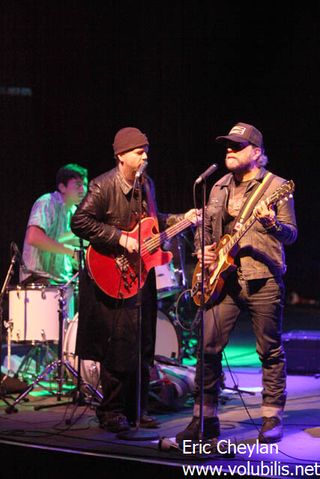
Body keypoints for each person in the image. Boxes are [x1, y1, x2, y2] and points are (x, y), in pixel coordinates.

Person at [176, 122, 297, 445]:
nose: (229, 150)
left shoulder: (277, 187)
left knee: (269, 350)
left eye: (237, 146)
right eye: (227, 145)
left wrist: (271, 223)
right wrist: (204, 250)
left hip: (263, 278)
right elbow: (205, 227)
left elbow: (291, 234)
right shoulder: (217, 187)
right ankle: (205, 418)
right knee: (207, 346)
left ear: (257, 153)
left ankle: (272, 417)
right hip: (223, 280)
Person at [71, 127, 199, 433]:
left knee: (143, 343)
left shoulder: (147, 185)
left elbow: (152, 222)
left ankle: (137, 408)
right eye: (138, 151)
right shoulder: (104, 186)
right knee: (117, 344)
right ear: (121, 156)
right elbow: (80, 221)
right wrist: (119, 239)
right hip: (111, 273)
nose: (145, 155)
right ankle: (111, 410)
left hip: (141, 274)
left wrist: (182, 219)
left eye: (146, 150)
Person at [20, 163, 88, 289]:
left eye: (85, 185)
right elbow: (33, 237)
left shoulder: (74, 212)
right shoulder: (47, 202)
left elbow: (65, 245)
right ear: (62, 187)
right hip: (38, 278)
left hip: (62, 280)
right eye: (78, 185)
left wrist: (78, 259)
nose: (83, 190)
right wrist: (70, 251)